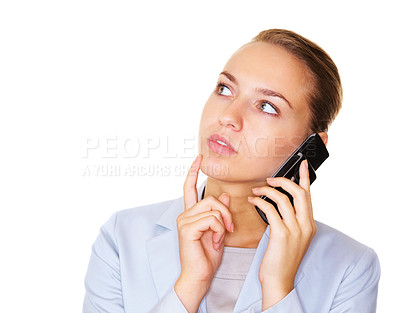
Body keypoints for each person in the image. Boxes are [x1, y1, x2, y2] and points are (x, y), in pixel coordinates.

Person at [83, 29, 380, 313]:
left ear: (311, 146)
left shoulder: (351, 267)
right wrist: (189, 286)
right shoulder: (122, 237)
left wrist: (277, 288)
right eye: (225, 89)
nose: (227, 117)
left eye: (266, 106)